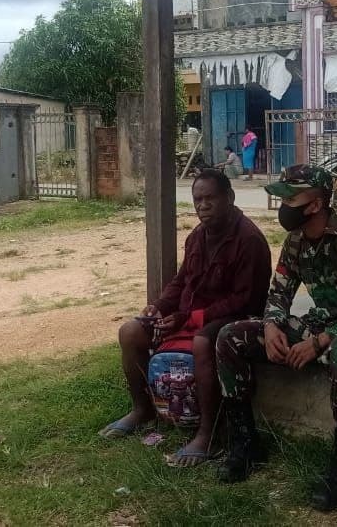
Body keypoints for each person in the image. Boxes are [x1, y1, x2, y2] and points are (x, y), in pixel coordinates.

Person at [215, 164, 337, 511]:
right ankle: (245, 444)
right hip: (323, 323)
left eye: (291, 199)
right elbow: (279, 294)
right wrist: (272, 326)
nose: (284, 206)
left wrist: (321, 341)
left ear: (317, 204)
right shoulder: (295, 241)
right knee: (231, 336)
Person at [100, 169, 272, 467]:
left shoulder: (249, 240)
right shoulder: (197, 237)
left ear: (230, 198)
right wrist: (160, 307)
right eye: (197, 200)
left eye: (210, 198)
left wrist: (191, 318)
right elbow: (182, 281)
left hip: (231, 318)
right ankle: (143, 410)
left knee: (203, 342)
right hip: (188, 316)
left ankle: (207, 434)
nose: (203, 206)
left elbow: (245, 300)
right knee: (130, 331)